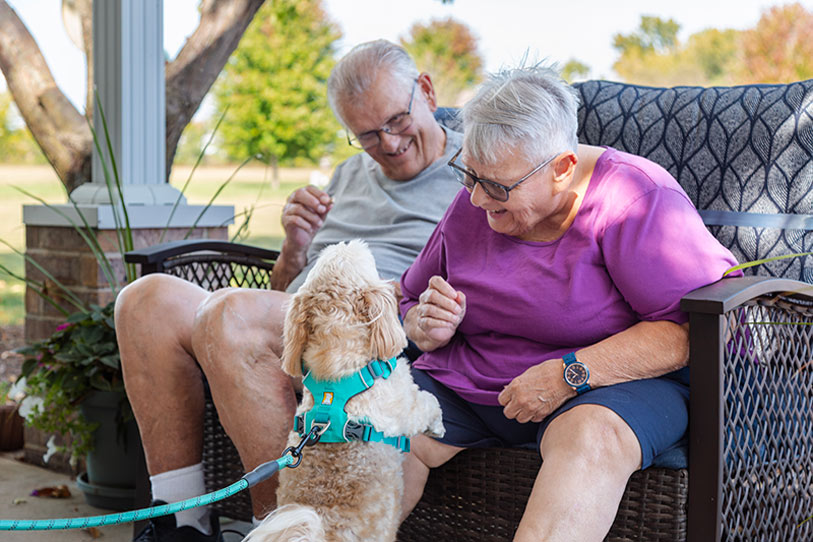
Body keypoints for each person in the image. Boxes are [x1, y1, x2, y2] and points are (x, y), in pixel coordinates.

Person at [116, 39, 463, 542]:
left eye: (396, 121)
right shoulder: (347, 175)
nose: (387, 143)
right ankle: (179, 523)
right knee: (145, 300)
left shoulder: (475, 173)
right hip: (299, 326)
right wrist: (295, 247)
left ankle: (279, 531)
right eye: (366, 134)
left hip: (375, 340)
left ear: (426, 92)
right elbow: (285, 290)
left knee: (230, 314)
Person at [398, 65, 740, 542]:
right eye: (469, 176)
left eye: (496, 186)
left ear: (561, 169)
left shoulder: (634, 200)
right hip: (471, 382)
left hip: (609, 387)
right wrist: (421, 323)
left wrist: (569, 373)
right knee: (376, 417)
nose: (476, 198)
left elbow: (695, 330)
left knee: (590, 437)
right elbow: (410, 295)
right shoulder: (476, 201)